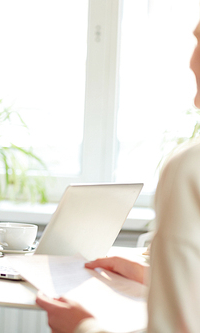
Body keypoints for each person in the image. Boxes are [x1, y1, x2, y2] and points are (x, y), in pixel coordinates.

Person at [35, 13, 200, 333]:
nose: (191, 57)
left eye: (199, 39)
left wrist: (82, 326)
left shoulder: (190, 168)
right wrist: (149, 275)